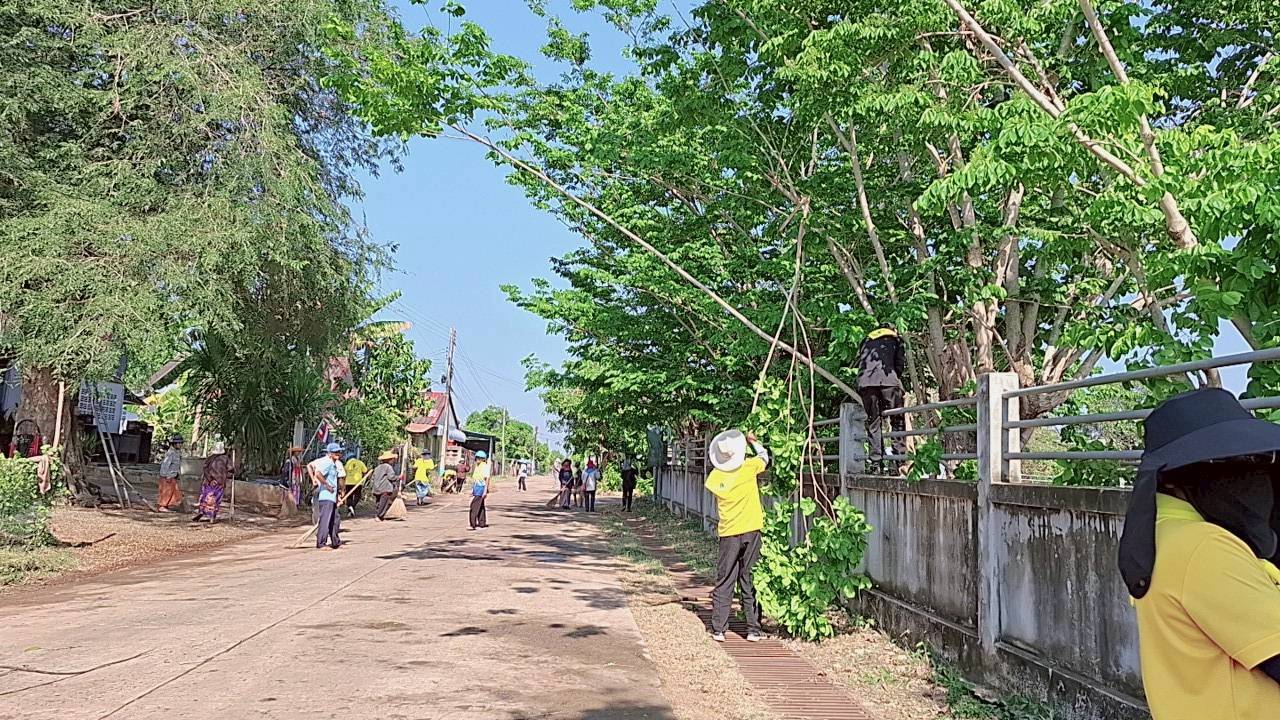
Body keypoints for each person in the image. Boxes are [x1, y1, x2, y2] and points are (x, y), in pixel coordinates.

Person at [1118, 389, 1280, 719]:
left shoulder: (1163, 532)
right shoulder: (1202, 547)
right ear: (1173, 476)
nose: (1251, 471)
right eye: (1226, 460)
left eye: (1258, 458)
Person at [705, 429, 769, 643]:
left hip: (729, 532)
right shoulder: (749, 467)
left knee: (725, 578)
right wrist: (753, 441)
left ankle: (719, 629)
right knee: (749, 576)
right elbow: (765, 457)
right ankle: (753, 628)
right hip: (752, 528)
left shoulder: (714, 478)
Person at [856, 321, 908, 474]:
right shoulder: (895, 339)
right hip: (888, 382)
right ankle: (898, 461)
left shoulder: (867, 339)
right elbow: (899, 364)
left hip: (866, 383)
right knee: (897, 418)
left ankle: (876, 463)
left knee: (874, 421)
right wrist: (895, 379)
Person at [309, 442, 344, 550]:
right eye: (335, 452)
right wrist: (326, 485)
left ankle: (335, 541)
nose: (338, 454)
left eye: (339, 452)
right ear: (329, 453)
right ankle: (321, 543)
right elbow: (318, 474)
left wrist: (338, 496)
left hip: (332, 497)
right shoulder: (327, 463)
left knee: (334, 520)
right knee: (325, 520)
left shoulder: (334, 464)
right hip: (326, 496)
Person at [191, 441, 232, 524]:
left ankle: (201, 512)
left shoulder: (210, 458)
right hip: (219, 482)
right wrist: (230, 473)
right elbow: (231, 469)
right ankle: (212, 516)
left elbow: (205, 469)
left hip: (209, 481)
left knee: (205, 497)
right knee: (216, 499)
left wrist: (209, 479)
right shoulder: (225, 459)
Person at [157, 435, 185, 511]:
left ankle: (166, 506)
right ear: (174, 444)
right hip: (167, 477)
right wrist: (165, 476)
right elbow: (165, 465)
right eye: (178, 443)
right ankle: (162, 507)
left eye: (181, 443)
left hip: (173, 476)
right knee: (166, 492)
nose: (180, 445)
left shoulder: (177, 453)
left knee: (173, 492)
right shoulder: (170, 453)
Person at [370, 450, 399, 521]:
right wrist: (398, 477)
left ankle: (379, 515)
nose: (393, 460)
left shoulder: (377, 468)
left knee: (378, 502)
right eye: (392, 459)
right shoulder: (388, 467)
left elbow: (373, 478)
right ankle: (379, 515)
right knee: (383, 503)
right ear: (389, 460)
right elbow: (391, 477)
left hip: (377, 488)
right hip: (385, 488)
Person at [469, 450, 492, 529]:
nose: (478, 459)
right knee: (481, 506)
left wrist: (485, 491)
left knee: (474, 506)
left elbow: (487, 479)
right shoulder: (477, 467)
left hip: (481, 488)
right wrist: (472, 490)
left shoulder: (485, 467)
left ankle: (472, 524)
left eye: (480, 458)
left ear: (483, 459)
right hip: (477, 487)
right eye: (477, 458)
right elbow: (476, 479)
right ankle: (482, 523)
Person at [343, 452, 368, 516]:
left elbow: (344, 473)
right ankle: (352, 506)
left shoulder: (347, 463)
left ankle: (350, 508)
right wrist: (364, 479)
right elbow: (365, 471)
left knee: (349, 496)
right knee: (358, 495)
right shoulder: (360, 462)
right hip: (358, 482)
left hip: (348, 482)